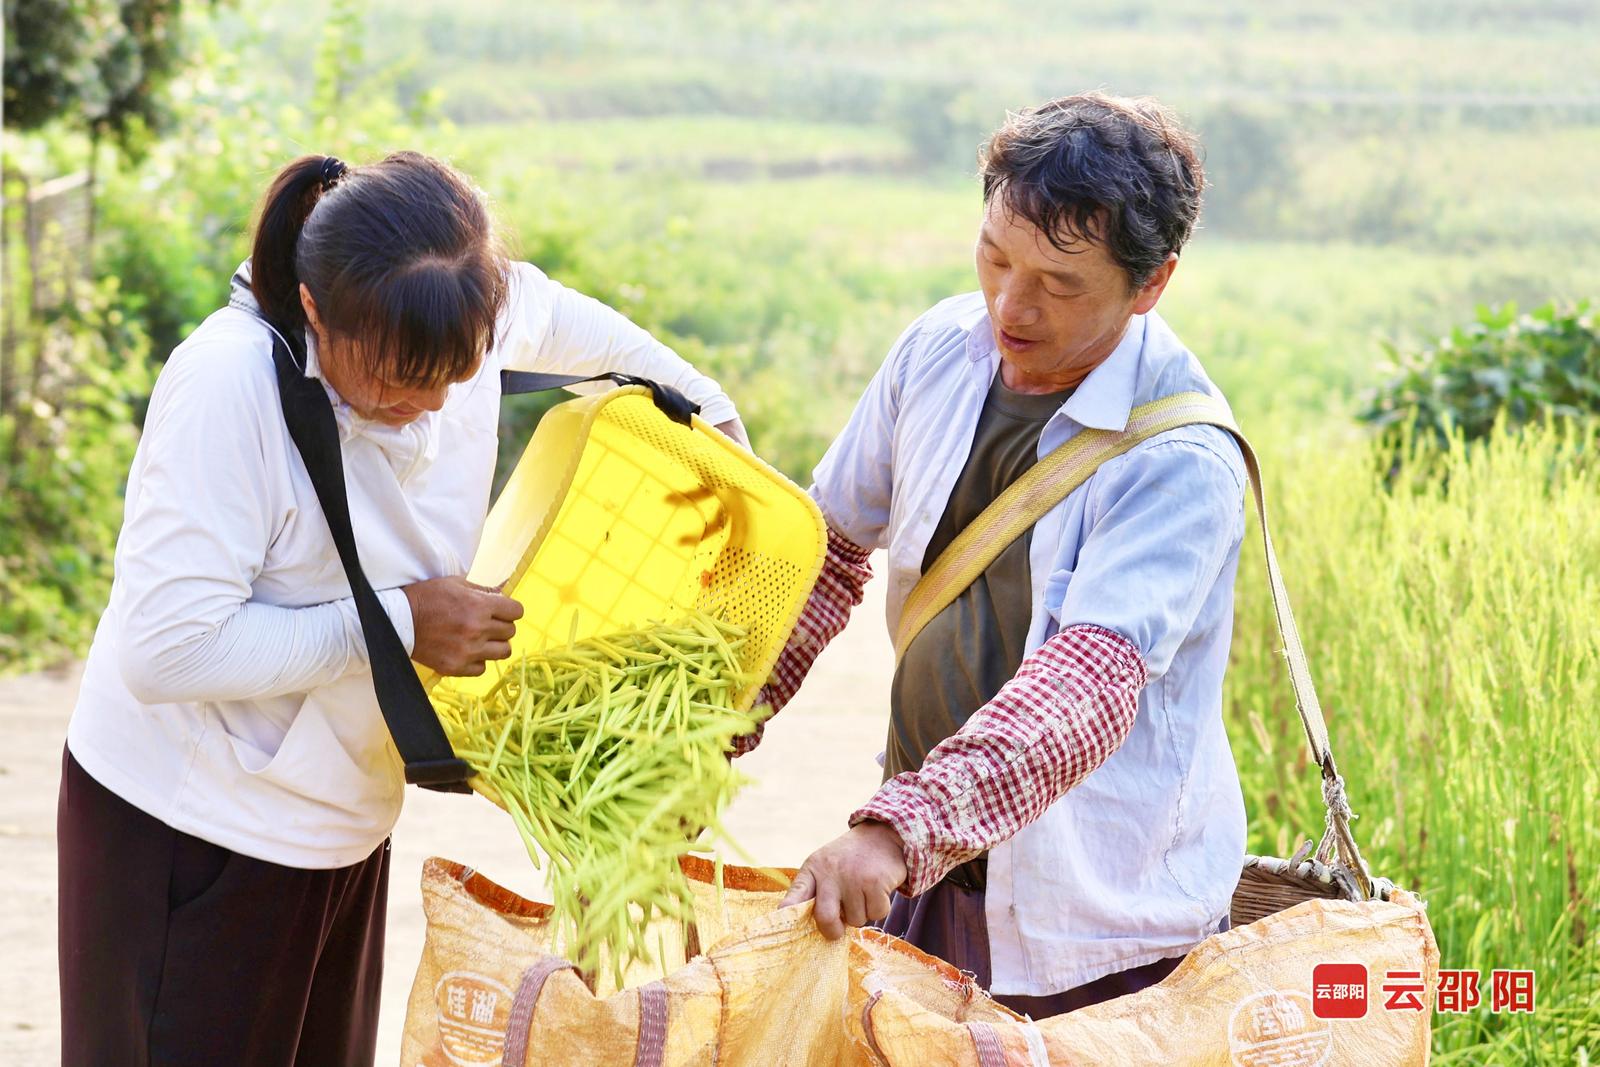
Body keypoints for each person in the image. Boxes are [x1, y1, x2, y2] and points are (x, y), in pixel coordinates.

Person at [56, 150, 747, 1066]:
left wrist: (717, 424)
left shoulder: (462, 307)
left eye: (449, 376)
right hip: (192, 835)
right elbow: (168, 651)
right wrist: (404, 624)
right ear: (313, 308)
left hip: (339, 826)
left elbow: (604, 345)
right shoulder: (229, 385)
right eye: (390, 378)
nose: (421, 407)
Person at [749, 93, 1248, 1017]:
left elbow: (1087, 686)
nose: (1012, 305)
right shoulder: (939, 351)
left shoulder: (1178, 458)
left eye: (1061, 285)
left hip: (1095, 925)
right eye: (994, 257)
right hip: (932, 882)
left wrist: (897, 834)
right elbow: (822, 552)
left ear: (1152, 283)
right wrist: (717, 724)